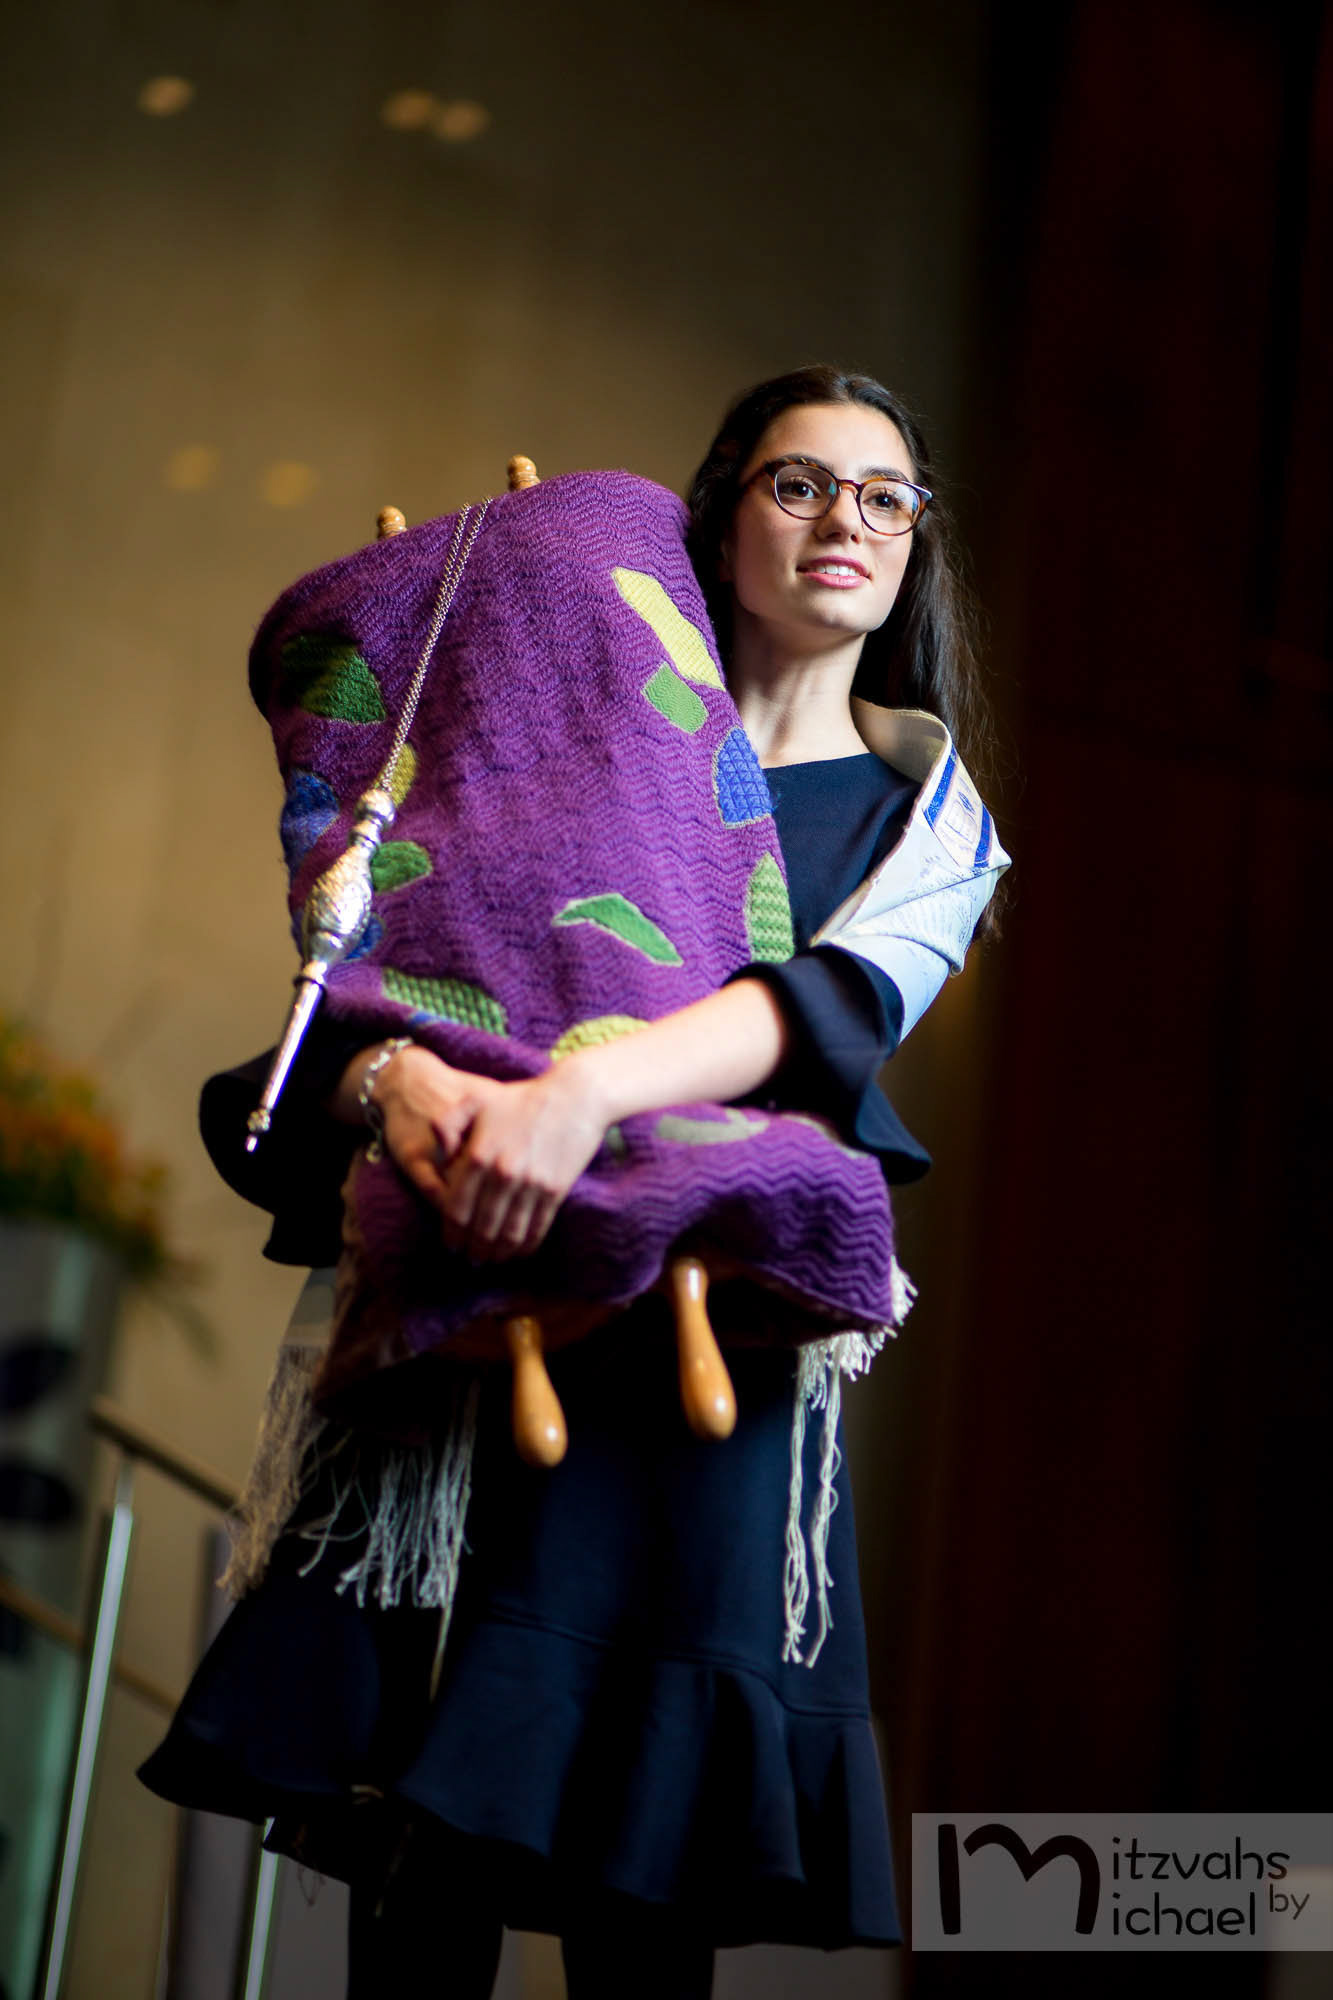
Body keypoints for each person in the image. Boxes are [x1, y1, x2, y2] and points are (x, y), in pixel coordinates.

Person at [140, 365, 1007, 1998]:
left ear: (915, 550)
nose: (847, 522)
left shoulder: (928, 811)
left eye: (885, 496)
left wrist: (578, 1098)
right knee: (411, 1904)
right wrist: (402, 1086)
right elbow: (373, 1008)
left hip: (698, 1417)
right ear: (716, 513)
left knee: (636, 1923)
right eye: (796, 483)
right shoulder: (541, 741)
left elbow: (821, 1016)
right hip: (466, 1361)